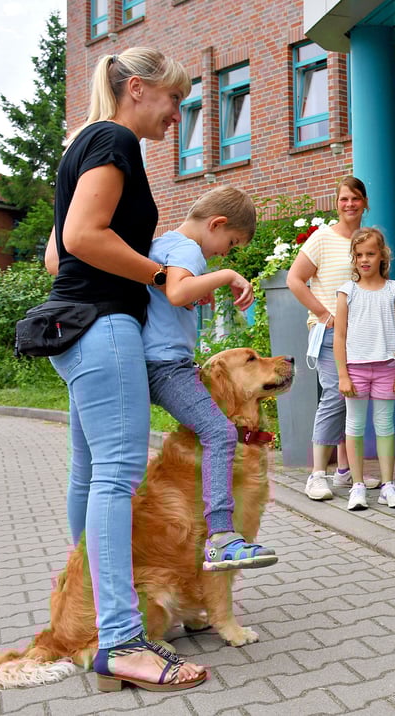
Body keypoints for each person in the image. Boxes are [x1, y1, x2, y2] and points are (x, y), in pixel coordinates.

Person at [42, 48, 207, 691]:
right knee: (116, 478)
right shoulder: (113, 140)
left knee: (91, 475)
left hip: (74, 328)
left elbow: (58, 254)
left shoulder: (80, 142)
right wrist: (161, 273)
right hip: (105, 327)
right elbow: (83, 237)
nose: (177, 113)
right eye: (173, 100)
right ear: (137, 89)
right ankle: (120, 639)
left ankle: (87, 613)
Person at [141, 186, 278, 572]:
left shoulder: (163, 243)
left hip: (153, 361)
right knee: (220, 433)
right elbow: (177, 290)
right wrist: (227, 275)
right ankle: (221, 536)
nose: (224, 252)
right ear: (216, 224)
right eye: (230, 243)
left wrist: (192, 296)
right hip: (166, 366)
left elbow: (171, 293)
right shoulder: (188, 250)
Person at [287, 176, 369, 501]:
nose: (349, 204)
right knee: (334, 397)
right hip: (330, 332)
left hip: (362, 335)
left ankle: (345, 473)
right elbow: (295, 279)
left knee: (354, 400)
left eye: (355, 199)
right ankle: (316, 475)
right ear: (336, 203)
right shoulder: (322, 238)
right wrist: (323, 314)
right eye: (343, 199)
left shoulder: (367, 240)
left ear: (365, 203)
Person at [334, 227, 395, 511]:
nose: (364, 259)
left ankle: (388, 485)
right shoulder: (347, 291)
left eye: (370, 253)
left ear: (382, 256)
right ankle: (357, 486)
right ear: (353, 258)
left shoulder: (394, 290)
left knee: (385, 426)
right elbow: (339, 336)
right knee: (353, 426)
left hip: (387, 368)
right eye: (359, 254)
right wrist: (342, 374)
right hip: (355, 369)